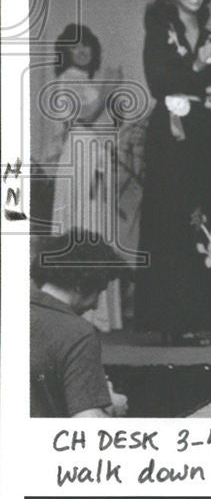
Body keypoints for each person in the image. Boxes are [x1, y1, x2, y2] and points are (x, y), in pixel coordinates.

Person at [134, 0, 211, 345]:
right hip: (171, 129)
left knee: (201, 215)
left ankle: (195, 316)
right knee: (170, 215)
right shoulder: (160, 30)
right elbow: (160, 81)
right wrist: (201, 62)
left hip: (200, 128)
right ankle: (169, 319)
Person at [47, 24, 124, 332]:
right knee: (83, 219)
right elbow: (84, 116)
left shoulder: (91, 81)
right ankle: (77, 306)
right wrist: (107, 91)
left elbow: (107, 122)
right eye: (75, 46)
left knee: (98, 222)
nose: (82, 51)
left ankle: (99, 310)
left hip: (98, 153)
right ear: (65, 52)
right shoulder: (64, 81)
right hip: (79, 154)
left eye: (87, 46)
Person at [31, 234, 128, 417]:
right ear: (79, 285)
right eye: (98, 291)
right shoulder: (78, 333)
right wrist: (110, 407)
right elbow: (87, 427)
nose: (95, 305)